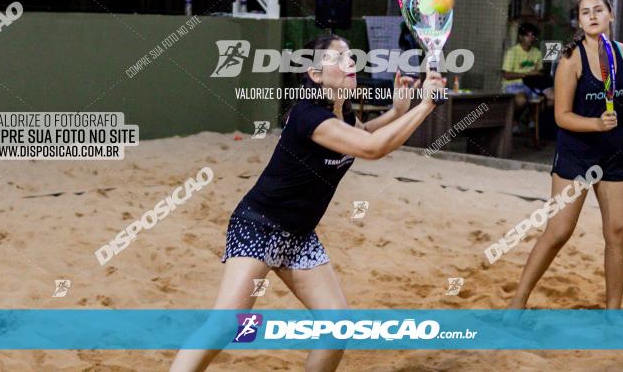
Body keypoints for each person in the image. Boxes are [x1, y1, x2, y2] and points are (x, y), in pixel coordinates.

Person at [170, 35, 446, 372]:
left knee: (336, 328)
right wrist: (426, 106)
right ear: (315, 74)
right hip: (259, 225)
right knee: (226, 324)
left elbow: (364, 133)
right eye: (338, 57)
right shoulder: (308, 116)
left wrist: (397, 112)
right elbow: (373, 148)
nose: (349, 63)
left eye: (351, 56)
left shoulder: (341, 114)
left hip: (299, 236)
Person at [506, 0, 623, 311]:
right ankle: (517, 303)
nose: (592, 15)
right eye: (585, 12)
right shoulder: (571, 58)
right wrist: (596, 125)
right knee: (559, 230)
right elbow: (561, 116)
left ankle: (613, 312)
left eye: (598, 10)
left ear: (611, 15)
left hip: (615, 152)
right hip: (577, 153)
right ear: (580, 21)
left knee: (619, 231)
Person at [502, 22, 543, 130]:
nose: (531, 38)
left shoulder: (537, 52)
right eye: (528, 35)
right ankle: (513, 120)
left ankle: (530, 118)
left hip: (531, 85)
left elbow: (539, 73)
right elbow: (506, 75)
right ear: (521, 37)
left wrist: (536, 75)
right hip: (513, 85)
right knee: (521, 100)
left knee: (548, 99)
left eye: (533, 36)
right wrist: (527, 74)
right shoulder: (513, 52)